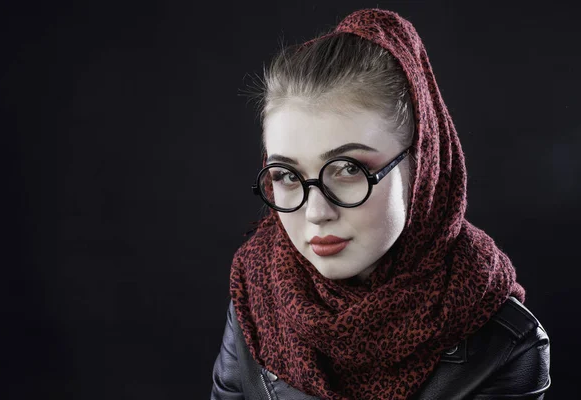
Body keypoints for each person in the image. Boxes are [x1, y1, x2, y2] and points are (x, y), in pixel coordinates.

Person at [210, 8, 551, 400]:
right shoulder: (255, 290)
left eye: (348, 169)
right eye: (287, 176)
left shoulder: (502, 342)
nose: (316, 212)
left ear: (420, 166)